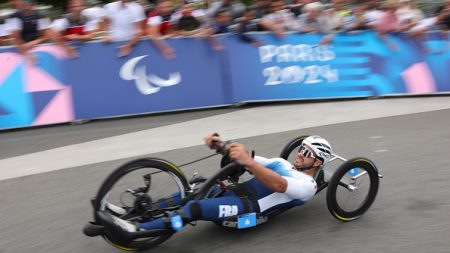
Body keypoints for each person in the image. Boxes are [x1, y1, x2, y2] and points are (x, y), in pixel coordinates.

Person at [96, 133, 333, 242]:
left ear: (318, 162)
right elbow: (251, 159)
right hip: (232, 191)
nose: (300, 154)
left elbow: (280, 185)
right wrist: (222, 145)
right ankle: (133, 213)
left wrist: (248, 162)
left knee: (194, 209)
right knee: (190, 192)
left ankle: (135, 230)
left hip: (247, 210)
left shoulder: (308, 185)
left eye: (308, 153)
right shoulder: (282, 163)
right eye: (301, 148)